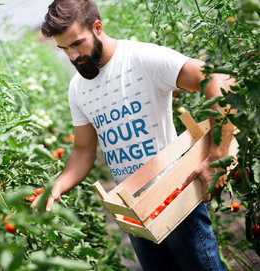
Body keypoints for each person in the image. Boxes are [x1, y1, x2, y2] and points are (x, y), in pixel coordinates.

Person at [32, 0, 235, 270]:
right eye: (64, 48)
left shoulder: (141, 58)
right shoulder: (77, 88)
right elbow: (82, 151)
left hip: (175, 200)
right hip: (134, 212)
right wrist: (57, 187)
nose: (72, 56)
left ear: (97, 27)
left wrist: (217, 157)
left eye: (77, 43)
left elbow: (218, 80)